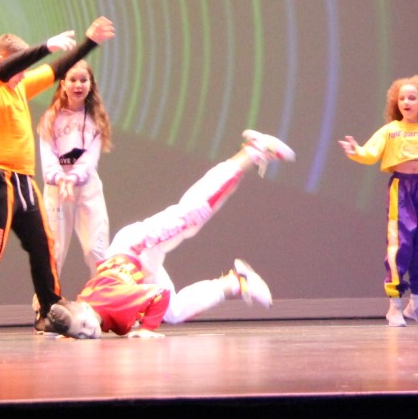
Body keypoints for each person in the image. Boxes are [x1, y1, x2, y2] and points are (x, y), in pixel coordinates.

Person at [0, 17, 114, 342]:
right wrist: (45, 46)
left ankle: (48, 311)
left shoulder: (18, 87)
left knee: (43, 245)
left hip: (22, 180)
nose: (23, 76)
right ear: (2, 62)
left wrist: (89, 42)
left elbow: (55, 71)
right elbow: (9, 69)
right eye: (19, 69)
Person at [44, 130, 295, 338]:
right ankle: (237, 283)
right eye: (80, 333)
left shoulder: (113, 301)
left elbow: (159, 294)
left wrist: (146, 329)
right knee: (174, 312)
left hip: (136, 248)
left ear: (83, 308)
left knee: (191, 214)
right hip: (138, 269)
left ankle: (253, 150)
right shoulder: (85, 307)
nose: (88, 331)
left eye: (84, 325)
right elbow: (78, 317)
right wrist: (69, 331)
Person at [339, 75, 418, 327]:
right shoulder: (391, 130)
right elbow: (370, 153)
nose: (406, 102)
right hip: (402, 190)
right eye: (402, 98)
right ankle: (394, 306)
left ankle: (416, 305)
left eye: (412, 98)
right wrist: (356, 152)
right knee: (401, 242)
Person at [39, 59, 112, 280]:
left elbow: (90, 158)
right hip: (57, 190)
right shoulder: (51, 117)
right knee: (53, 250)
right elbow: (47, 155)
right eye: (72, 80)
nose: (78, 85)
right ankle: (46, 298)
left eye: (83, 80)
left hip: (87, 187)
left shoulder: (96, 119)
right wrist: (60, 179)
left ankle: (102, 294)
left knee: (96, 248)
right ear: (63, 84)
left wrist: (73, 178)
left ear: (91, 84)